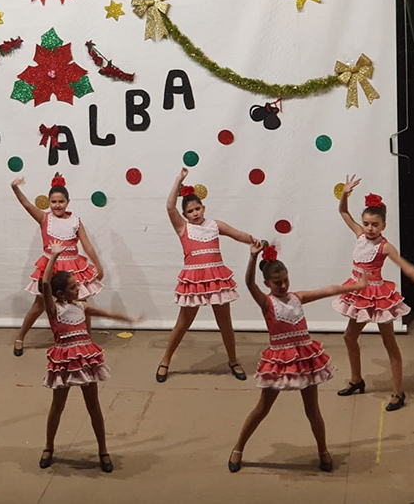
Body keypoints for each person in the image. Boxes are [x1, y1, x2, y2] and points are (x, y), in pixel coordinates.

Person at [228, 240, 367, 473]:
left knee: (312, 410)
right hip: (279, 362)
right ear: (267, 283)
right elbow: (249, 283)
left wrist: (356, 286)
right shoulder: (266, 302)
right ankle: (238, 448)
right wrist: (253, 257)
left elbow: (327, 290)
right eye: (277, 282)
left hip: (304, 359)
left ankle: (323, 451)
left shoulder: (297, 297)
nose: (283, 285)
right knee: (262, 408)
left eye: (286, 280)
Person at [38, 241, 142, 473]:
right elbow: (45, 283)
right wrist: (53, 256)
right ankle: (49, 446)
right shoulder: (54, 310)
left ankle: (103, 450)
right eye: (74, 287)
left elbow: (107, 313)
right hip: (65, 362)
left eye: (77, 285)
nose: (79, 289)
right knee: (57, 406)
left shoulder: (82, 307)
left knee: (93, 406)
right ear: (60, 294)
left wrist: (129, 319)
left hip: (85, 360)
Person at [333, 175, 414, 411]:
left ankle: (398, 392)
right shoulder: (359, 234)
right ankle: (356, 380)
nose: (369, 228)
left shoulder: (385, 246)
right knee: (349, 336)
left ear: (383, 225)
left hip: (378, 297)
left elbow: (407, 267)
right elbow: (343, 212)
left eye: (375, 224)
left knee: (389, 343)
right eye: (366, 223)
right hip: (359, 293)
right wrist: (345, 194)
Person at [156, 167, 257, 383]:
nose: (195, 213)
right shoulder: (183, 228)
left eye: (197, 208)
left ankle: (233, 360)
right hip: (194, 281)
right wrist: (179, 180)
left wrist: (255, 241)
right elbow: (169, 206)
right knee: (183, 323)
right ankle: (165, 360)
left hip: (216, 280)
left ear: (204, 208)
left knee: (225, 324)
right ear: (185, 215)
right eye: (190, 211)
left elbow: (238, 234)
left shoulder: (215, 225)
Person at [11, 173, 103, 356]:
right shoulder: (44, 218)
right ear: (48, 202)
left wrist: (98, 265)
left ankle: (87, 340)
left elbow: (87, 245)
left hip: (72, 267)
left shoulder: (76, 221)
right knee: (39, 304)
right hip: (51, 266)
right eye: (53, 202)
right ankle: (20, 337)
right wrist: (15, 187)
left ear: (68, 202)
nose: (57, 205)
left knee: (81, 304)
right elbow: (26, 204)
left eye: (61, 201)